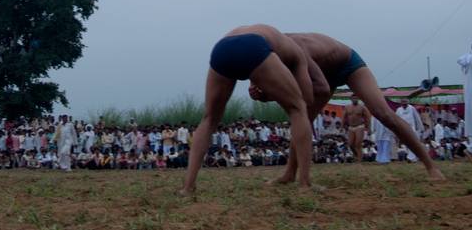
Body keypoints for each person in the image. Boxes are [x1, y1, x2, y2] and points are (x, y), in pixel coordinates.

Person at [250, 31, 445, 181]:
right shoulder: (264, 58)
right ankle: (290, 174)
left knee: (383, 113)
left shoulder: (293, 48)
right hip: (321, 74)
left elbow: (321, 90)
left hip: (347, 65)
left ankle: (431, 166)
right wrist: (263, 94)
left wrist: (271, 96)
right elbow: (285, 89)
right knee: (302, 119)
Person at [181, 24, 317, 194]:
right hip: (253, 46)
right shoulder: (297, 54)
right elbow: (308, 98)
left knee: (209, 119)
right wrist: (269, 96)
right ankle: (304, 183)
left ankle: (188, 186)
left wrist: (266, 94)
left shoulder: (268, 36)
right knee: (298, 109)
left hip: (222, 47)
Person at [457, 42, 472, 161]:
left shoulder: (467, 59)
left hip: (470, 98)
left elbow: (460, 59)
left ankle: (470, 148)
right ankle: (470, 148)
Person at [343, 95, 371, 162]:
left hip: (360, 126)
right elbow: (344, 117)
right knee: (350, 144)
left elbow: (367, 118)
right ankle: (356, 155)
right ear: (351, 99)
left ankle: (359, 159)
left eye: (356, 98)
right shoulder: (347, 107)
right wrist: (342, 126)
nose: (355, 99)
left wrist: (368, 127)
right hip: (351, 127)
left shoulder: (362, 107)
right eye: (353, 98)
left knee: (358, 143)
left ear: (358, 99)